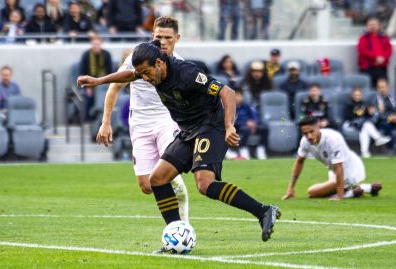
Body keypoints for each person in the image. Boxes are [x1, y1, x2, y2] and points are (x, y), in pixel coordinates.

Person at [77, 39, 281, 243]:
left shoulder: (186, 73)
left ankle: (263, 211)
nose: (145, 79)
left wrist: (229, 126)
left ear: (159, 63)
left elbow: (227, 92)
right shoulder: (147, 70)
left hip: (210, 127)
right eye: (142, 74)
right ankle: (176, 236)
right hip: (187, 130)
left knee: (204, 184)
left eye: (147, 73)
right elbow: (130, 74)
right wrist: (97, 81)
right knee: (157, 179)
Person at [80, 17, 189, 221]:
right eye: (159, 37)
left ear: (176, 38)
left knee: (164, 172)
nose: (163, 41)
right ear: (152, 36)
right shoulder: (137, 58)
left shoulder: (179, 64)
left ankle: (179, 228)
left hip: (167, 120)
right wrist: (106, 122)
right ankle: (176, 188)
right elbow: (114, 87)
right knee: (147, 186)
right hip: (139, 123)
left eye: (167, 37)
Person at [282, 116, 383, 201]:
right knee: (312, 192)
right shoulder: (305, 141)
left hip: (352, 169)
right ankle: (366, 188)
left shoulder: (333, 139)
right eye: (305, 133)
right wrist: (291, 188)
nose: (309, 136)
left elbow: (339, 167)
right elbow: (299, 162)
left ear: (318, 127)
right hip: (335, 171)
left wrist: (339, 196)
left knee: (313, 192)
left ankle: (351, 192)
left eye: (311, 131)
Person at [342, 87, 391, 158]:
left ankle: (364, 152)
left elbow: (367, 116)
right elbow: (347, 116)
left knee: (364, 129)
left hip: (361, 124)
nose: (357, 97)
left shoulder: (364, 104)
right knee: (365, 124)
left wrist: (370, 112)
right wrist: (357, 113)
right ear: (352, 95)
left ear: (361, 95)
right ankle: (378, 138)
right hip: (350, 124)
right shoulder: (349, 104)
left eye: (359, 95)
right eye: (355, 95)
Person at [370, 78, 396, 154]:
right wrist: (384, 114)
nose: (382, 89)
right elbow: (375, 116)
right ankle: (390, 147)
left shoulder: (392, 98)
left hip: (395, 118)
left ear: (387, 87)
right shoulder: (376, 99)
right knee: (385, 125)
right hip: (384, 120)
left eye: (383, 87)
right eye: (380, 87)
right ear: (377, 88)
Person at [79, 35, 113, 120]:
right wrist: (87, 87)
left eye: (98, 44)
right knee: (89, 96)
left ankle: (100, 113)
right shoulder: (86, 55)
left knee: (101, 90)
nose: (96, 46)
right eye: (94, 44)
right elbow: (82, 72)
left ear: (101, 44)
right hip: (89, 84)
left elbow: (110, 72)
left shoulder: (106, 54)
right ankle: (89, 118)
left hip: (104, 82)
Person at [230, 88, 268, 160]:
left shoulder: (246, 106)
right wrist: (246, 123)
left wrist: (254, 123)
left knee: (264, 128)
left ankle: (261, 148)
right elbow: (232, 121)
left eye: (240, 96)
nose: (238, 98)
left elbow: (254, 116)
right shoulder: (231, 107)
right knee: (245, 129)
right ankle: (243, 149)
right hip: (238, 127)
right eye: (236, 96)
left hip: (251, 126)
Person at [357, 17, 392, 87]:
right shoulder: (363, 38)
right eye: (370, 25)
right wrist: (376, 58)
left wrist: (383, 58)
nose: (373, 26)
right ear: (367, 26)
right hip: (368, 68)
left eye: (375, 24)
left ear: (379, 26)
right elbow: (363, 50)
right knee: (369, 89)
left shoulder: (384, 38)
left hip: (381, 68)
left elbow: (389, 49)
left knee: (383, 89)